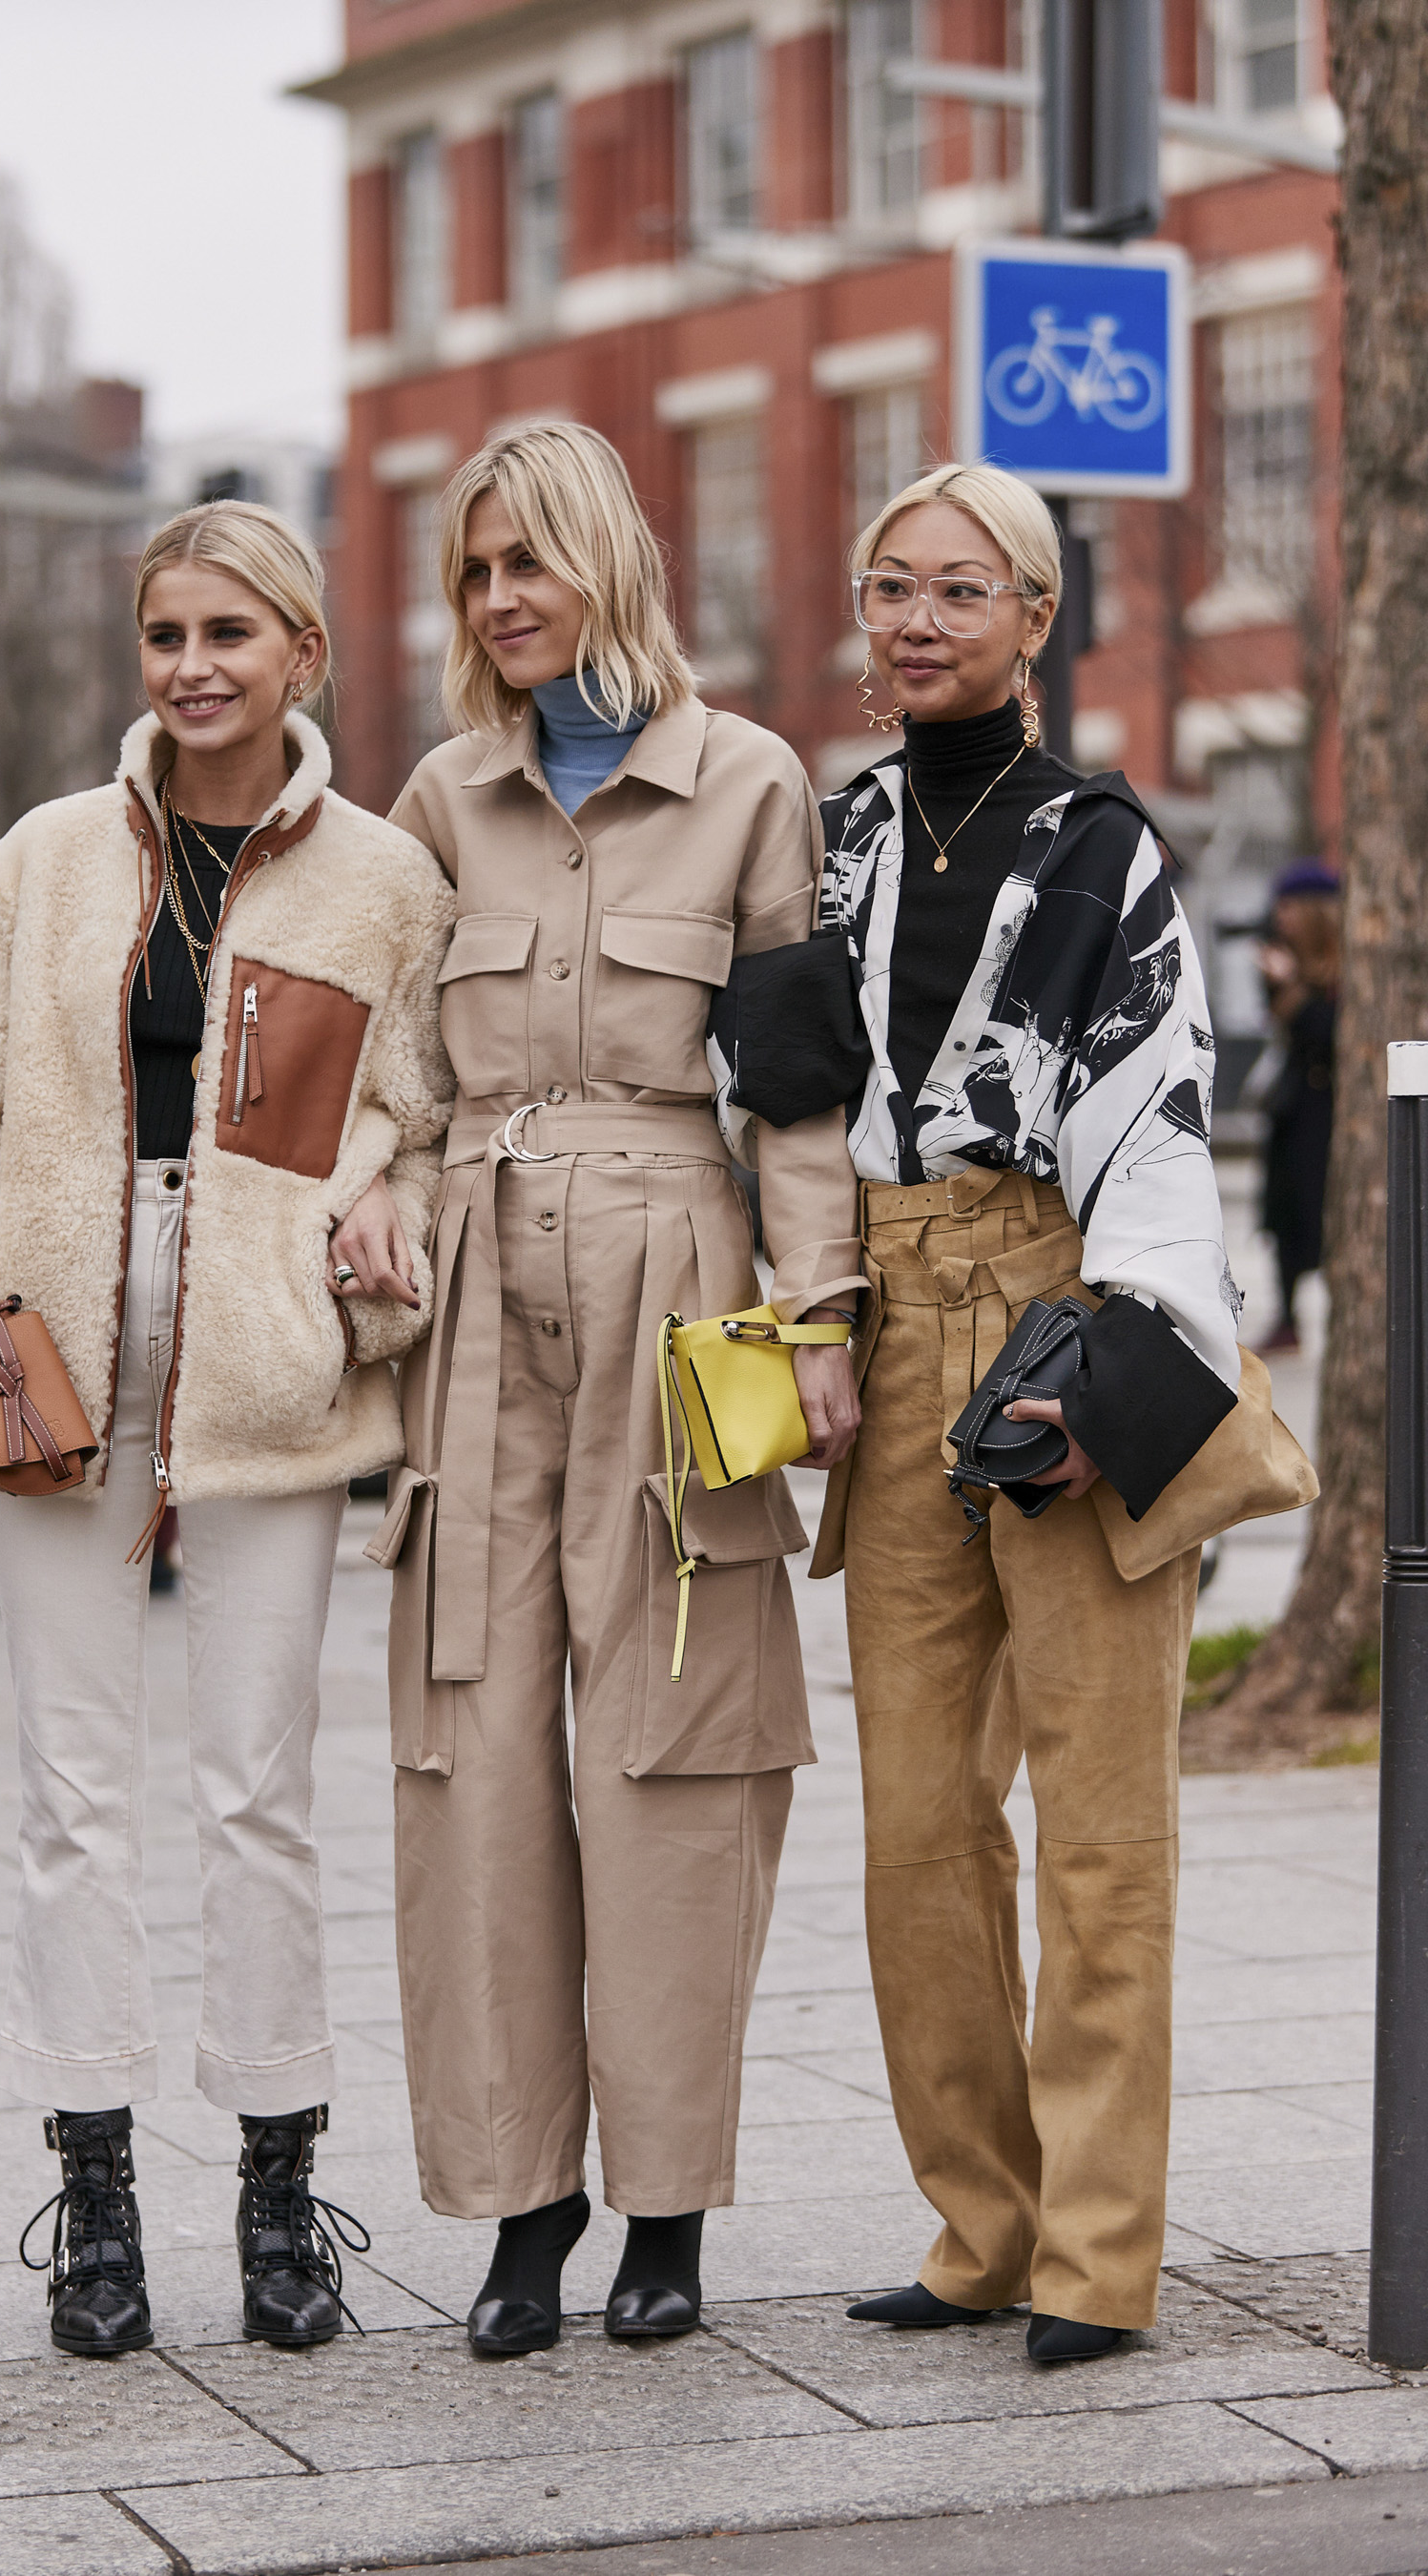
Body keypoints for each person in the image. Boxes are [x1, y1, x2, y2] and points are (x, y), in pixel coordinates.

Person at [0, 502, 454, 2358]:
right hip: (52, 1371)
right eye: (165, 635)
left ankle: (281, 2181)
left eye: (230, 636)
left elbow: (407, 1114)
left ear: (304, 658)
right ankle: (92, 2178)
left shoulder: (381, 883)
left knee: (260, 1798)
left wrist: (379, 1198)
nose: (192, 668)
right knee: (69, 1799)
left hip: (266, 1379)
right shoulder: (38, 868)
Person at [726, 464, 1243, 2366]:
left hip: (1068, 1312)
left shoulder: (1106, 844)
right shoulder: (833, 840)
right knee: (917, 1820)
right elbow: (780, 1088)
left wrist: (1122, 1367)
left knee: (1104, 1814)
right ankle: (981, 2223)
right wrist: (813, 1319)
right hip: (886, 1312)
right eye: (889, 587)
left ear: (1038, 618)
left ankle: (1099, 2254)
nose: (918, 618)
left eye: (962, 588)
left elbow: (1163, 1115)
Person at [370, 422, 861, 2358]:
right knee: (473, 1752)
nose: (499, 603)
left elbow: (800, 1088)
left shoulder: (748, 783)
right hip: (481, 1284)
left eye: (528, 564)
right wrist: (375, 1207)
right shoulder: (435, 800)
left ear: (605, 565)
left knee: (676, 1739)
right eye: (475, 572)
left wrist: (820, 1317)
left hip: (685, 1277)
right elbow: (392, 1084)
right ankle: (523, 2205)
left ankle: (667, 2205)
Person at [1256, 861, 1338, 1354]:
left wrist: (1293, 988)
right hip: (1291, 1108)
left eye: (1289, 907)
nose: (1279, 917)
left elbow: (1328, 1035)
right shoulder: (1286, 958)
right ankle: (1288, 1316)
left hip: (1325, 1110)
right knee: (1284, 1214)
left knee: (1319, 1211)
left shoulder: (1343, 969)